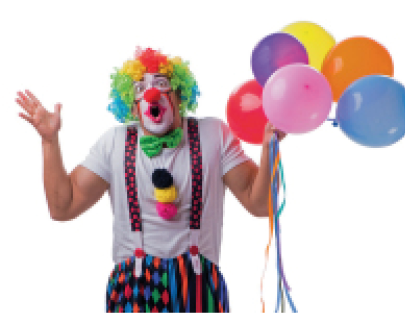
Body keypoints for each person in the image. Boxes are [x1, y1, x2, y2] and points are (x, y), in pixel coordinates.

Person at [16, 47, 285, 312]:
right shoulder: (114, 142)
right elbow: (63, 206)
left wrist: (268, 148)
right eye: (139, 89)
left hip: (199, 285)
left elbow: (260, 205)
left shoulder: (213, 134)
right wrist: (49, 141)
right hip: (133, 286)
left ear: (179, 95)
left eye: (161, 83)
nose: (151, 92)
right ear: (132, 106)